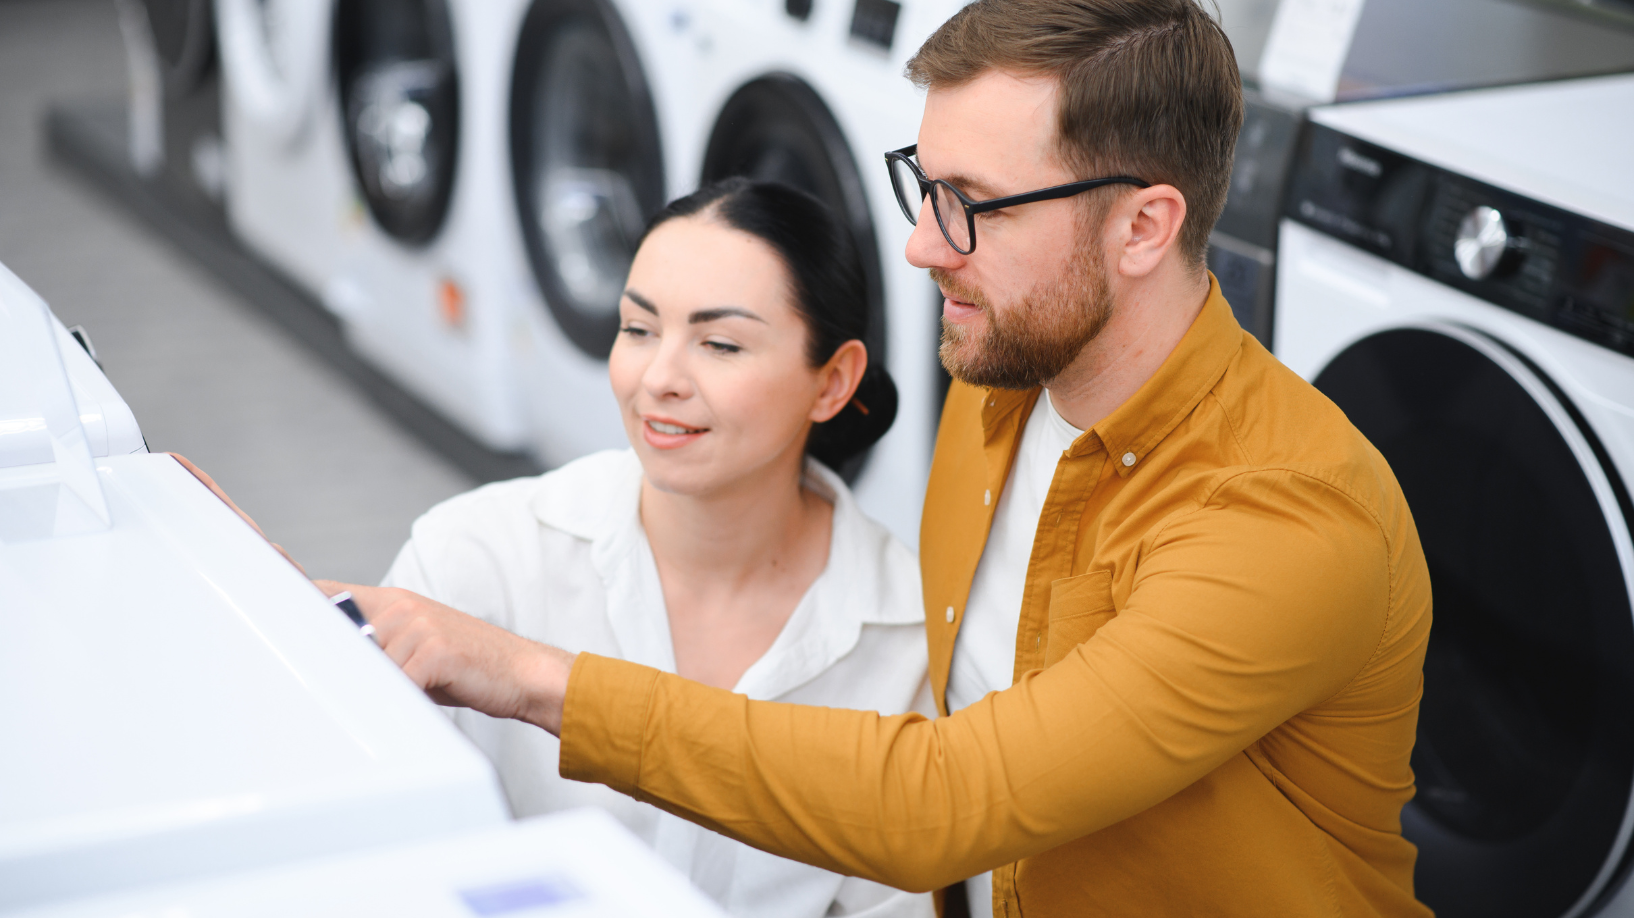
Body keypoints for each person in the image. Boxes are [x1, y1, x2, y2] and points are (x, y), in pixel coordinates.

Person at [326, 2, 1434, 916]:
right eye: (923, 182)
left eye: (975, 208)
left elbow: (945, 803)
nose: (918, 244)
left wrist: (527, 674)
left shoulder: (1285, 514)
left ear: (1143, 228)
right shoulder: (998, 390)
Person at [193, 179, 934, 918]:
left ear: (833, 382)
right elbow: (370, 860)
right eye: (638, 330)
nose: (659, 379)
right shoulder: (475, 558)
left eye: (719, 343)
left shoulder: (906, 639)